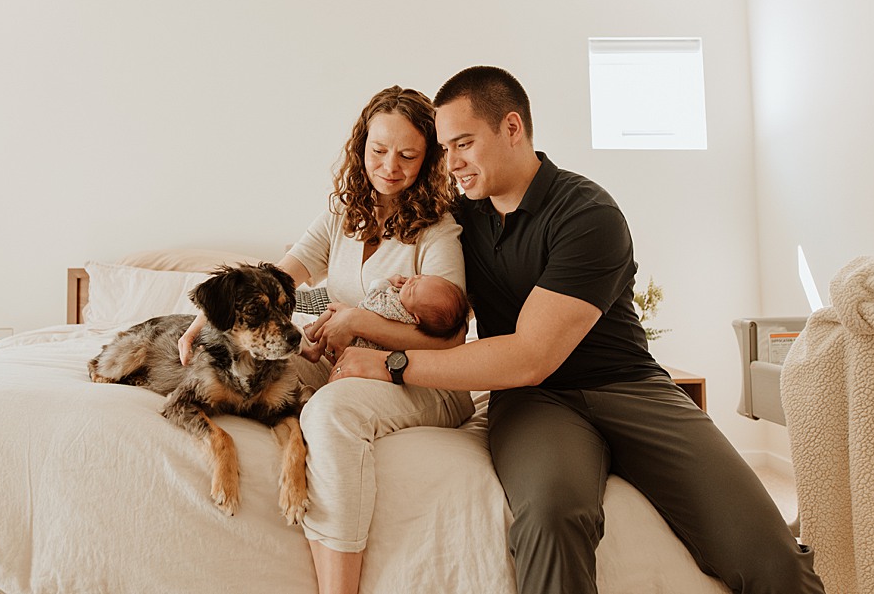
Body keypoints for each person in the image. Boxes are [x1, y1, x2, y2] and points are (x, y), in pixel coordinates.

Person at [330, 66, 827, 594]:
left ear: (513, 127)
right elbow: (373, 259)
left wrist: (394, 365)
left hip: (630, 387)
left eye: (464, 143)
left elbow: (530, 354)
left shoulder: (587, 213)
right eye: (445, 147)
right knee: (551, 518)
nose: (450, 163)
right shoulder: (457, 220)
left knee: (770, 556)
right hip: (535, 404)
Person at [178, 86, 475, 594]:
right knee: (247, 363)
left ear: (429, 159)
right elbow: (280, 276)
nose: (389, 166)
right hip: (345, 358)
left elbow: (450, 342)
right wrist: (209, 318)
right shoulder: (345, 214)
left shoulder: (438, 231)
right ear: (360, 146)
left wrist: (357, 323)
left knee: (327, 413)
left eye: (407, 155)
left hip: (426, 378)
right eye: (378, 151)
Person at [300, 273, 469, 362]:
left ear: (416, 318)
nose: (411, 280)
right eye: (421, 276)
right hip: (354, 342)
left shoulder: (397, 310)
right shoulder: (412, 307)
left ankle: (314, 338)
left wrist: (385, 282)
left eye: (412, 290)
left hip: (358, 346)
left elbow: (372, 301)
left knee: (333, 311)